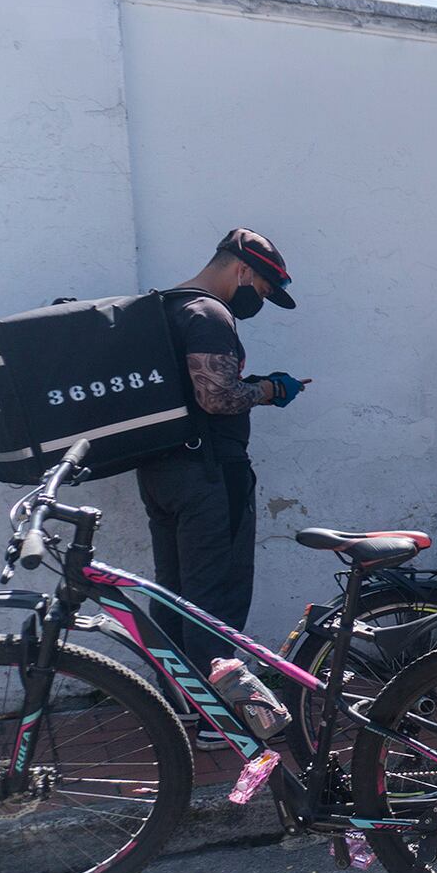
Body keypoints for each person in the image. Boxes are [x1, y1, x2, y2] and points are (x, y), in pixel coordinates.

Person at [140, 229, 308, 745]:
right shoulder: (209, 314)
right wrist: (271, 389)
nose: (258, 299)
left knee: (173, 595)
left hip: (161, 471)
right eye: (260, 287)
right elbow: (216, 398)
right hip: (211, 474)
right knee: (217, 597)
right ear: (240, 270)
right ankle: (218, 720)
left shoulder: (160, 311)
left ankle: (181, 707)